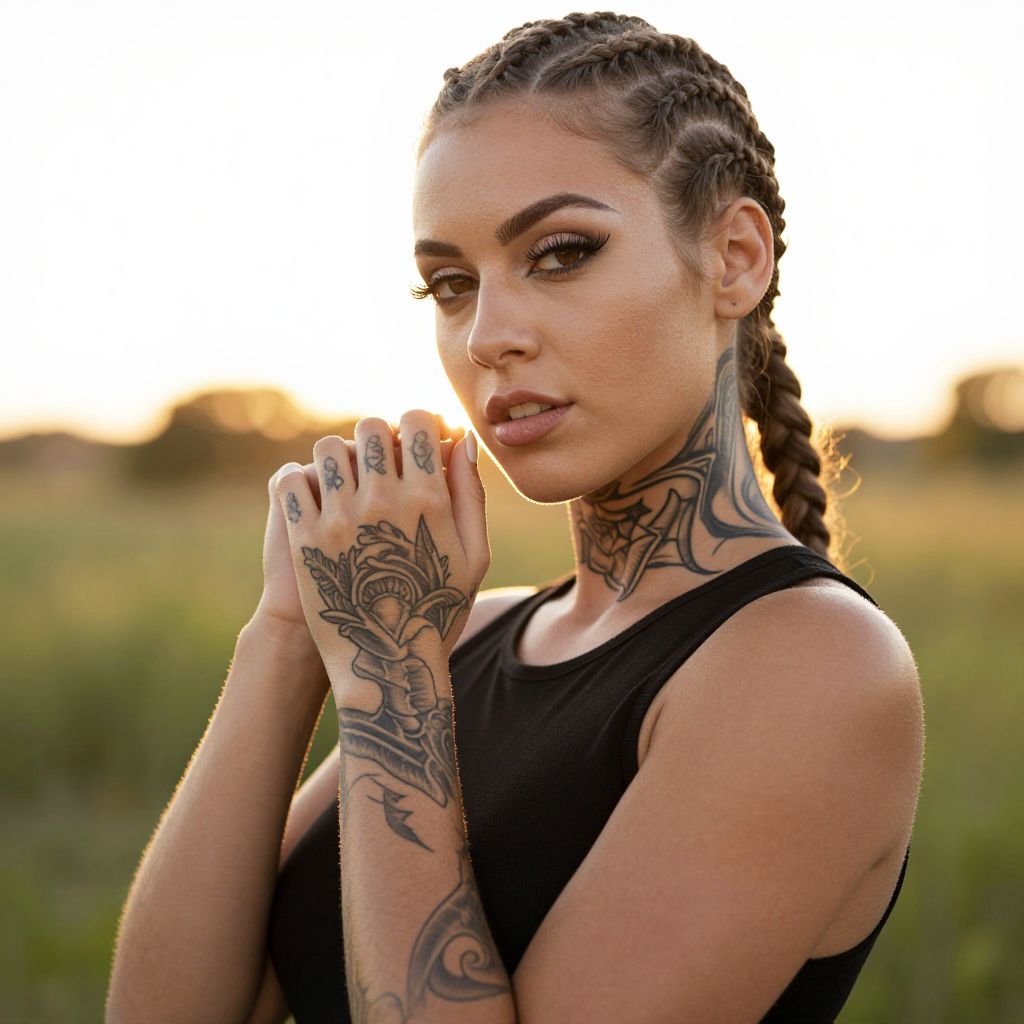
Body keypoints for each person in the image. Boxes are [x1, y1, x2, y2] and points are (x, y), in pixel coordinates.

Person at [106, 11, 924, 1024]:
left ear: (733, 257)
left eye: (559, 252)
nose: (487, 335)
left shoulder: (813, 665)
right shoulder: (472, 630)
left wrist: (391, 678)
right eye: (450, 283)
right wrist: (287, 637)